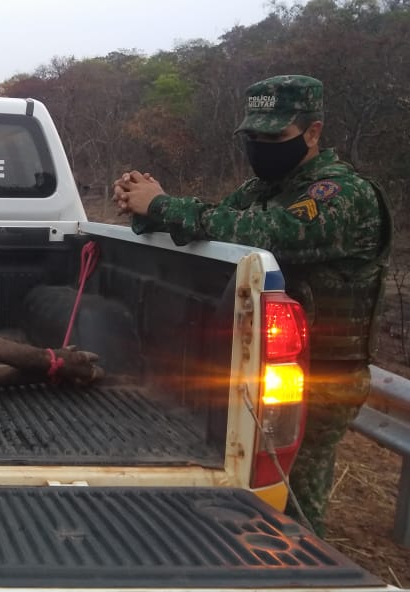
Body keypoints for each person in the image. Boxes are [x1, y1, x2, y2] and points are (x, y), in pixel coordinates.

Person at [112, 74, 392, 537]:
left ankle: (298, 574)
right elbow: (209, 226)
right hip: (258, 364)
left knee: (293, 493)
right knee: (249, 481)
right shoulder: (262, 189)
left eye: (275, 136)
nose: (262, 146)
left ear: (313, 132)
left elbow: (265, 234)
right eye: (254, 137)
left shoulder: (345, 196)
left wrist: (161, 205)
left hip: (323, 373)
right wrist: (144, 205)